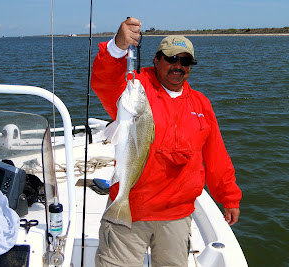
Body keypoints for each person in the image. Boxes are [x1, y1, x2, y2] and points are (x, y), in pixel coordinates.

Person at [92, 17, 242, 267]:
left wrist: (229, 197)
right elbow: (105, 81)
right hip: (131, 210)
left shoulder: (201, 104)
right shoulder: (135, 88)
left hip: (177, 213)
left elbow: (216, 155)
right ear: (157, 59)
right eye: (171, 58)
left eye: (184, 61)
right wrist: (117, 48)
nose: (177, 66)